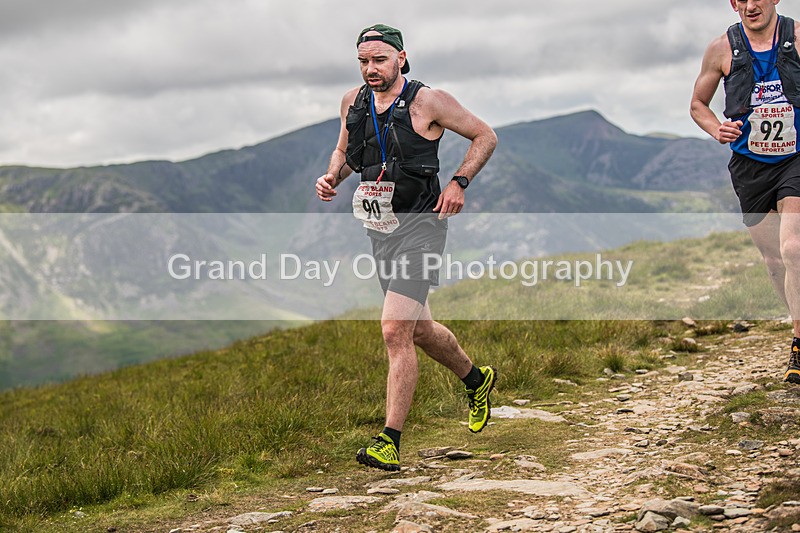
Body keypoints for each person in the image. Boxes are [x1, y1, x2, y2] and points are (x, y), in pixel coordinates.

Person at [315, 24, 498, 470]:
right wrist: (330, 177)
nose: (370, 69)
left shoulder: (427, 100)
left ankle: (389, 441)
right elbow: (345, 152)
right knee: (418, 329)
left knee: (394, 329)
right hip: (380, 228)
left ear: (400, 57)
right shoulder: (353, 102)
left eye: (379, 60)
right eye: (363, 61)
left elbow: (485, 136)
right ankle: (476, 379)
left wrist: (458, 182)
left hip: (423, 226)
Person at [691, 0, 800, 384]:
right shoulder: (721, 48)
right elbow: (697, 105)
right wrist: (715, 128)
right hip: (750, 165)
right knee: (774, 261)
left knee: (794, 248)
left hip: (796, 158)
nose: (751, 5)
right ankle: (798, 323)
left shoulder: (799, 38)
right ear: (734, 3)